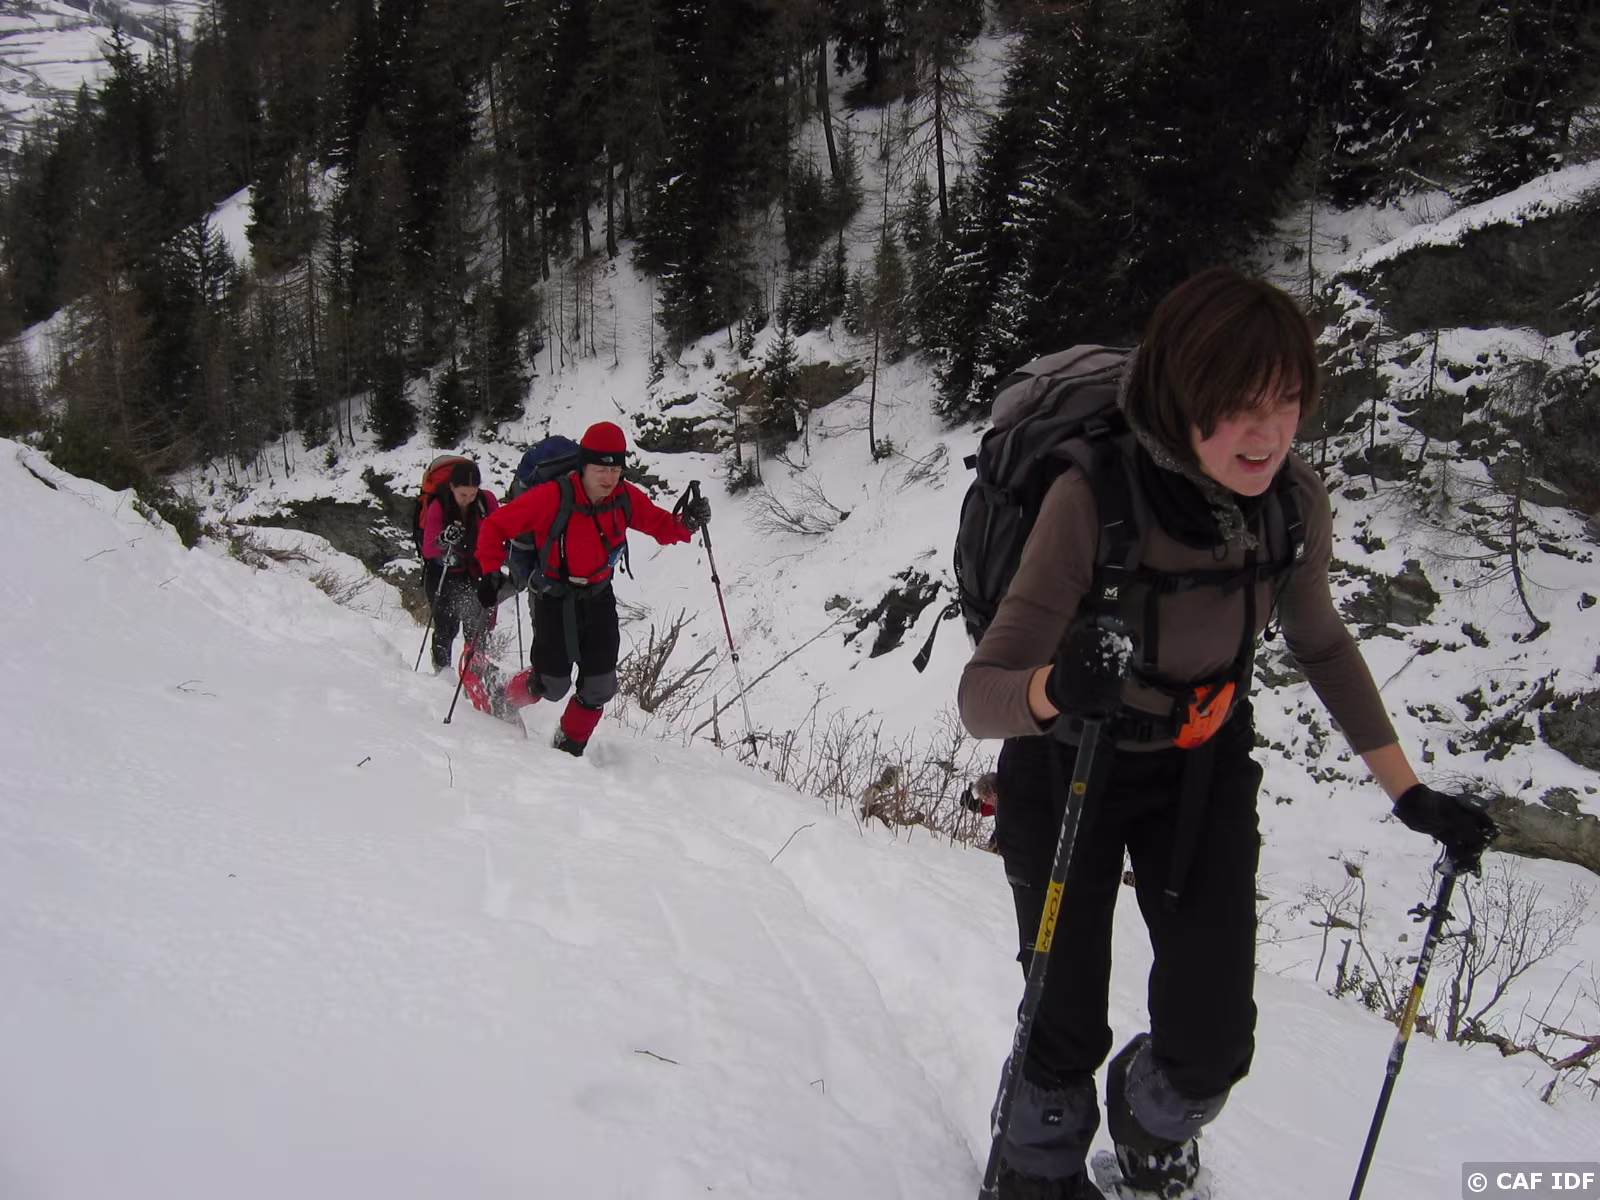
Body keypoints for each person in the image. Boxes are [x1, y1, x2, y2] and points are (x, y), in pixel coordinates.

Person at [958, 268, 1495, 1200]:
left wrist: (1408, 792)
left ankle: (1150, 1120)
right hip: (1067, 765)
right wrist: (1058, 687)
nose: (1268, 432)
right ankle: (1037, 1163)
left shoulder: (1291, 505)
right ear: (1182, 397)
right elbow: (982, 697)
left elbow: (1322, 644)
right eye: (1240, 405)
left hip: (1200, 767)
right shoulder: (1091, 500)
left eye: (1286, 402)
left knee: (1211, 1042)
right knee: (1062, 1018)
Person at [474, 421, 711, 757]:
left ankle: (569, 750)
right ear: (583, 466)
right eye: (600, 469)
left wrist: (687, 523)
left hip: (598, 597)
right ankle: (501, 692)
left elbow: (661, 526)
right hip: (553, 597)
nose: (608, 478)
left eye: (615, 469)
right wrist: (489, 571)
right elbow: (495, 525)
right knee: (552, 684)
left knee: (600, 685)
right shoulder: (552, 497)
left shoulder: (624, 497)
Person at [421, 459, 500, 674]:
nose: (468, 500)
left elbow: (499, 528)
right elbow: (428, 549)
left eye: (473, 494)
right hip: (445, 573)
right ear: (452, 487)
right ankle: (442, 672)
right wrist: (443, 540)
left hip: (476, 571)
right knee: (446, 627)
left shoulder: (486, 501)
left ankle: (474, 674)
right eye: (463, 494)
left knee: (477, 628)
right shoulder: (439, 506)